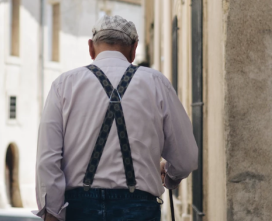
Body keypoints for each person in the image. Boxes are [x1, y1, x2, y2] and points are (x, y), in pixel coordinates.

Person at [33, 15, 198, 221]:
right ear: (134, 49)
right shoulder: (156, 83)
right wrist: (170, 176)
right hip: (139, 209)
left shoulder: (64, 85)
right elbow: (186, 158)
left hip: (80, 210)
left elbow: (47, 158)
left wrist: (53, 212)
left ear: (91, 48)